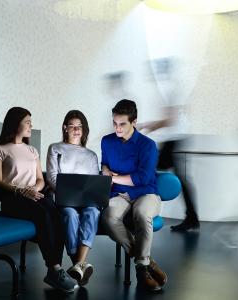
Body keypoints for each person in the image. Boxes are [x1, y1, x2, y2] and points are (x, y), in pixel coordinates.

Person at [0, 107, 78, 293]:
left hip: (34, 195)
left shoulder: (32, 150)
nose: (31, 126)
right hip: (12, 199)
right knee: (43, 215)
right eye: (27, 122)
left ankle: (57, 268)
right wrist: (22, 191)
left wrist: (33, 190)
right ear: (15, 124)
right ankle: (53, 269)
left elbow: (40, 179)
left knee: (58, 213)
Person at [100, 99, 167, 292]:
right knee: (108, 217)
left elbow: (143, 177)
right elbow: (105, 164)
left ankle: (141, 271)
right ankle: (146, 262)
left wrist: (115, 178)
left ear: (134, 122)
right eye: (115, 123)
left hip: (146, 193)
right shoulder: (107, 141)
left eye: (122, 124)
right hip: (120, 195)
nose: (117, 128)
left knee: (142, 214)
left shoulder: (148, 145)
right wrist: (105, 171)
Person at [138, 57, 199, 232]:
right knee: (182, 179)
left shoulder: (172, 89)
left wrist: (148, 126)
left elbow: (170, 120)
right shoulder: (173, 87)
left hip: (174, 141)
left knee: (146, 167)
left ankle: (141, 209)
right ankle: (192, 218)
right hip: (174, 140)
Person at [46, 110, 100, 286]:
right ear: (65, 128)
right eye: (73, 126)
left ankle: (78, 265)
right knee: (70, 215)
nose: (77, 130)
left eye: (80, 126)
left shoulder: (91, 155)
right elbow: (52, 177)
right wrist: (67, 193)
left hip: (86, 199)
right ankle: (79, 264)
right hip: (64, 198)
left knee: (92, 211)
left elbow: (92, 181)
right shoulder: (55, 148)